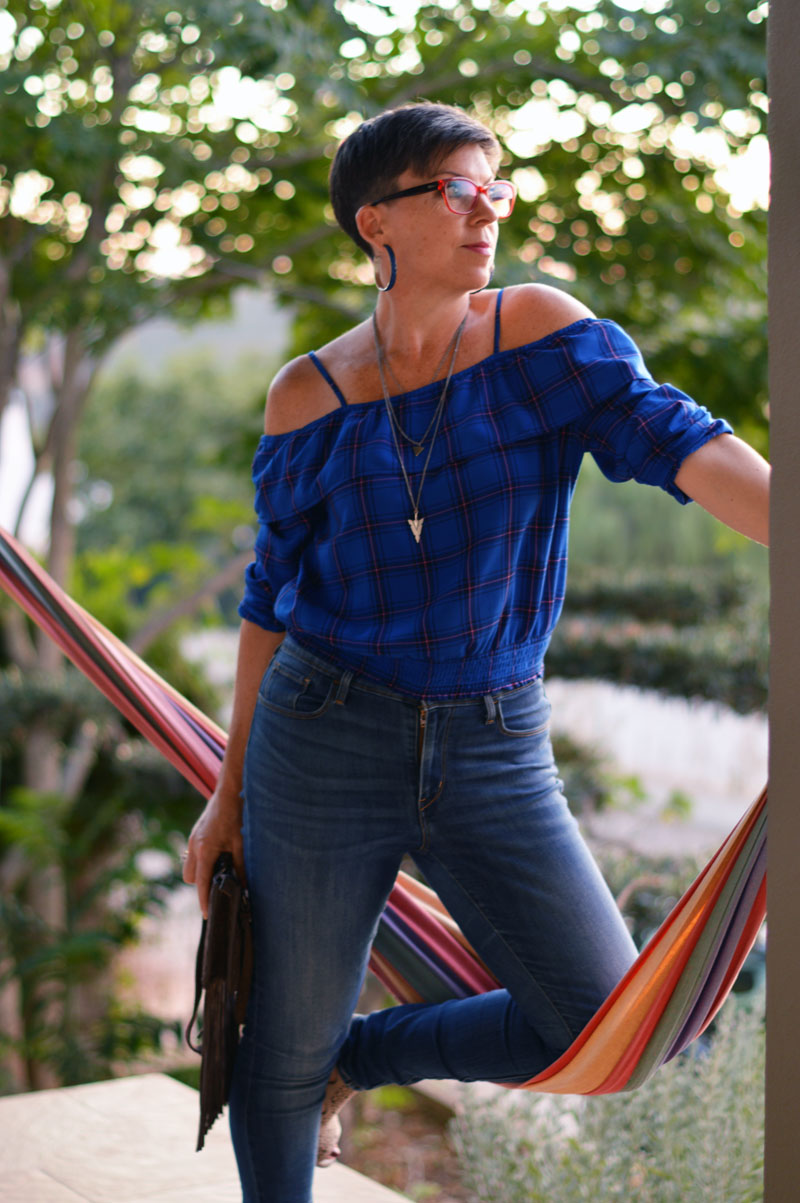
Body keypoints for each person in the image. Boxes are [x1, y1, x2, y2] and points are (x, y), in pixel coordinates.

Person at [182, 101, 770, 1203]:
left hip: (496, 743)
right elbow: (270, 601)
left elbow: (682, 443)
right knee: (281, 1049)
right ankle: (313, 1066)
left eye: (494, 188)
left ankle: (361, 1056)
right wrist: (228, 793)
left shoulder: (538, 337)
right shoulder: (308, 394)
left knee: (608, 1022)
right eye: (455, 189)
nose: (485, 210)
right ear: (376, 222)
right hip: (321, 736)